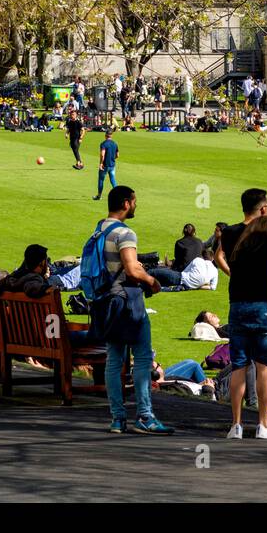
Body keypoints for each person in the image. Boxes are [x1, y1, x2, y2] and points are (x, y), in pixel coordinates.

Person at [214, 188, 267, 440]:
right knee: (264, 367)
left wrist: (233, 274)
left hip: (237, 304)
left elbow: (217, 256)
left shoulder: (229, 232)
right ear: (263, 209)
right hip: (263, 304)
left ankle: (236, 425)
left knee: (239, 365)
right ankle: (263, 424)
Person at [95, 185, 171, 435]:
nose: (136, 206)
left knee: (114, 361)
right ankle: (145, 416)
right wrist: (152, 281)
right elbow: (131, 269)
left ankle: (117, 418)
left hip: (107, 301)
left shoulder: (99, 229)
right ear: (126, 203)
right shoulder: (125, 233)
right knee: (141, 359)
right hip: (128, 302)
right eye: (135, 202)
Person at [93, 128, 120, 200]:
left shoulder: (103, 144)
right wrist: (112, 158)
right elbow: (117, 155)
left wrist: (101, 163)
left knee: (101, 180)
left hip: (105, 165)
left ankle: (99, 196)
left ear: (105, 135)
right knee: (113, 179)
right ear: (111, 135)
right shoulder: (115, 144)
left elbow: (102, 155)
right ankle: (118, 194)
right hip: (112, 165)